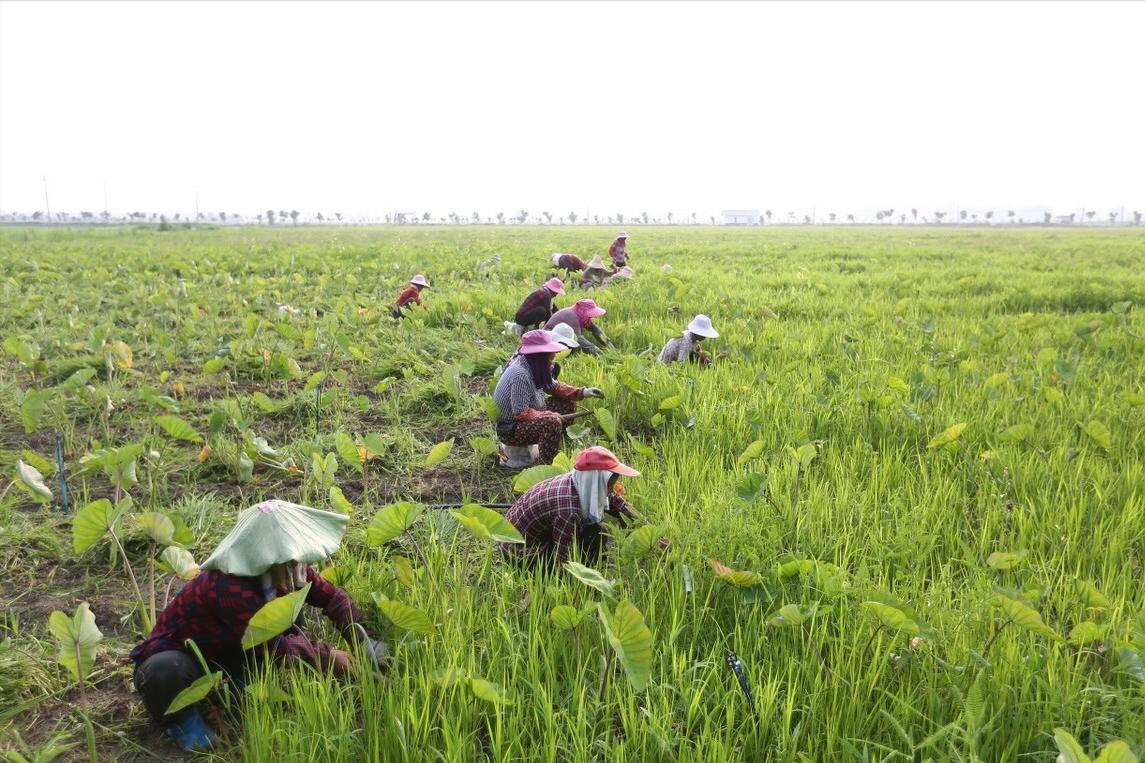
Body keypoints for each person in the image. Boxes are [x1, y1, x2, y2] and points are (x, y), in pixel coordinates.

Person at [129, 500, 386, 752]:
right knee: (164, 671)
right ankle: (181, 722)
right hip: (189, 658)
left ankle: (240, 683)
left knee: (289, 613)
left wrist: (362, 639)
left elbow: (331, 597)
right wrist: (331, 659)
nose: (298, 563)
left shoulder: (289, 568)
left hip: (232, 650)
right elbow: (275, 644)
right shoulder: (229, 584)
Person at [501, 446, 641, 567]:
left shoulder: (582, 482)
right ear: (596, 481)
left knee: (593, 531)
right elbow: (563, 558)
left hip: (530, 536)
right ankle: (587, 581)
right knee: (595, 534)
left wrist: (646, 527)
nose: (611, 490)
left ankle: (593, 569)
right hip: (518, 553)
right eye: (609, 486)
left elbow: (617, 503)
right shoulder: (568, 511)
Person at [493, 330, 604, 465]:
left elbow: (553, 387)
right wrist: (549, 415)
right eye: (550, 358)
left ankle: (553, 444)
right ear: (539, 356)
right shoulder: (520, 374)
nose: (552, 363)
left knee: (566, 404)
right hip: (511, 429)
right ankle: (547, 462)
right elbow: (521, 413)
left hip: (527, 415)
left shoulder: (532, 365)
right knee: (552, 422)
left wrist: (583, 392)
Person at [545, 298, 610, 355]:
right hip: (550, 339)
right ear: (582, 311)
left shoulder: (581, 316)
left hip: (561, 337)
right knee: (573, 347)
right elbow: (579, 339)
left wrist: (608, 344)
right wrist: (598, 352)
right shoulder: (573, 316)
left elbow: (595, 329)